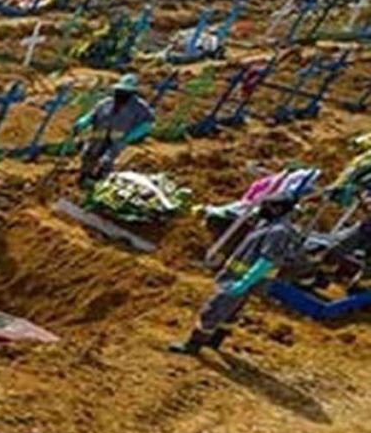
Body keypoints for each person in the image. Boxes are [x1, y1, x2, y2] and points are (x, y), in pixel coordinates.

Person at [168, 193, 302, 355]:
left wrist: (245, 281)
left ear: (278, 209)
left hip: (243, 278)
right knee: (232, 311)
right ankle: (215, 341)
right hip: (242, 277)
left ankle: (193, 345)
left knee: (215, 308)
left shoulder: (278, 231)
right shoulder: (269, 223)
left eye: (267, 206)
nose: (262, 209)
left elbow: (266, 260)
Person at [75, 73, 156, 189]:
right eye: (119, 90)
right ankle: (84, 177)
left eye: (124, 92)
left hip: (120, 136)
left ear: (131, 93)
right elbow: (93, 114)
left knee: (106, 160)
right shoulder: (105, 103)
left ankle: (100, 182)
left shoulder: (140, 107)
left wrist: (134, 134)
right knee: (89, 153)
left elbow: (148, 122)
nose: (120, 94)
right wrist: (84, 121)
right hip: (100, 133)